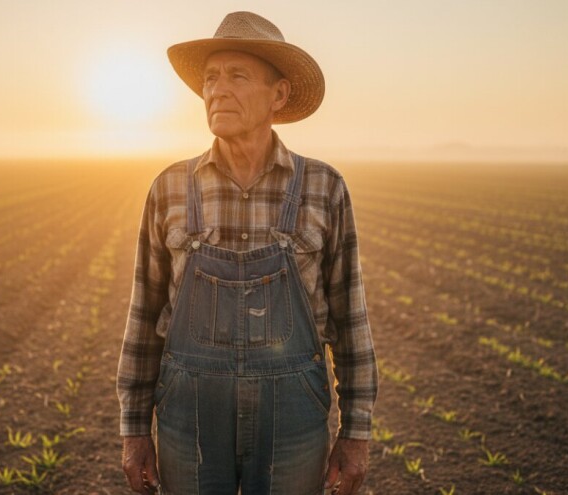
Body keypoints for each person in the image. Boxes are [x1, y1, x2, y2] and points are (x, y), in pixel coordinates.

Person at [116, 11, 378, 495]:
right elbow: (143, 316)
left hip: (294, 416)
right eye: (211, 78)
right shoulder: (170, 188)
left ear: (278, 95)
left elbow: (351, 318)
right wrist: (134, 429)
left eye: (237, 76)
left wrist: (356, 432)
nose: (217, 89)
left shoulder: (323, 187)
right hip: (188, 417)